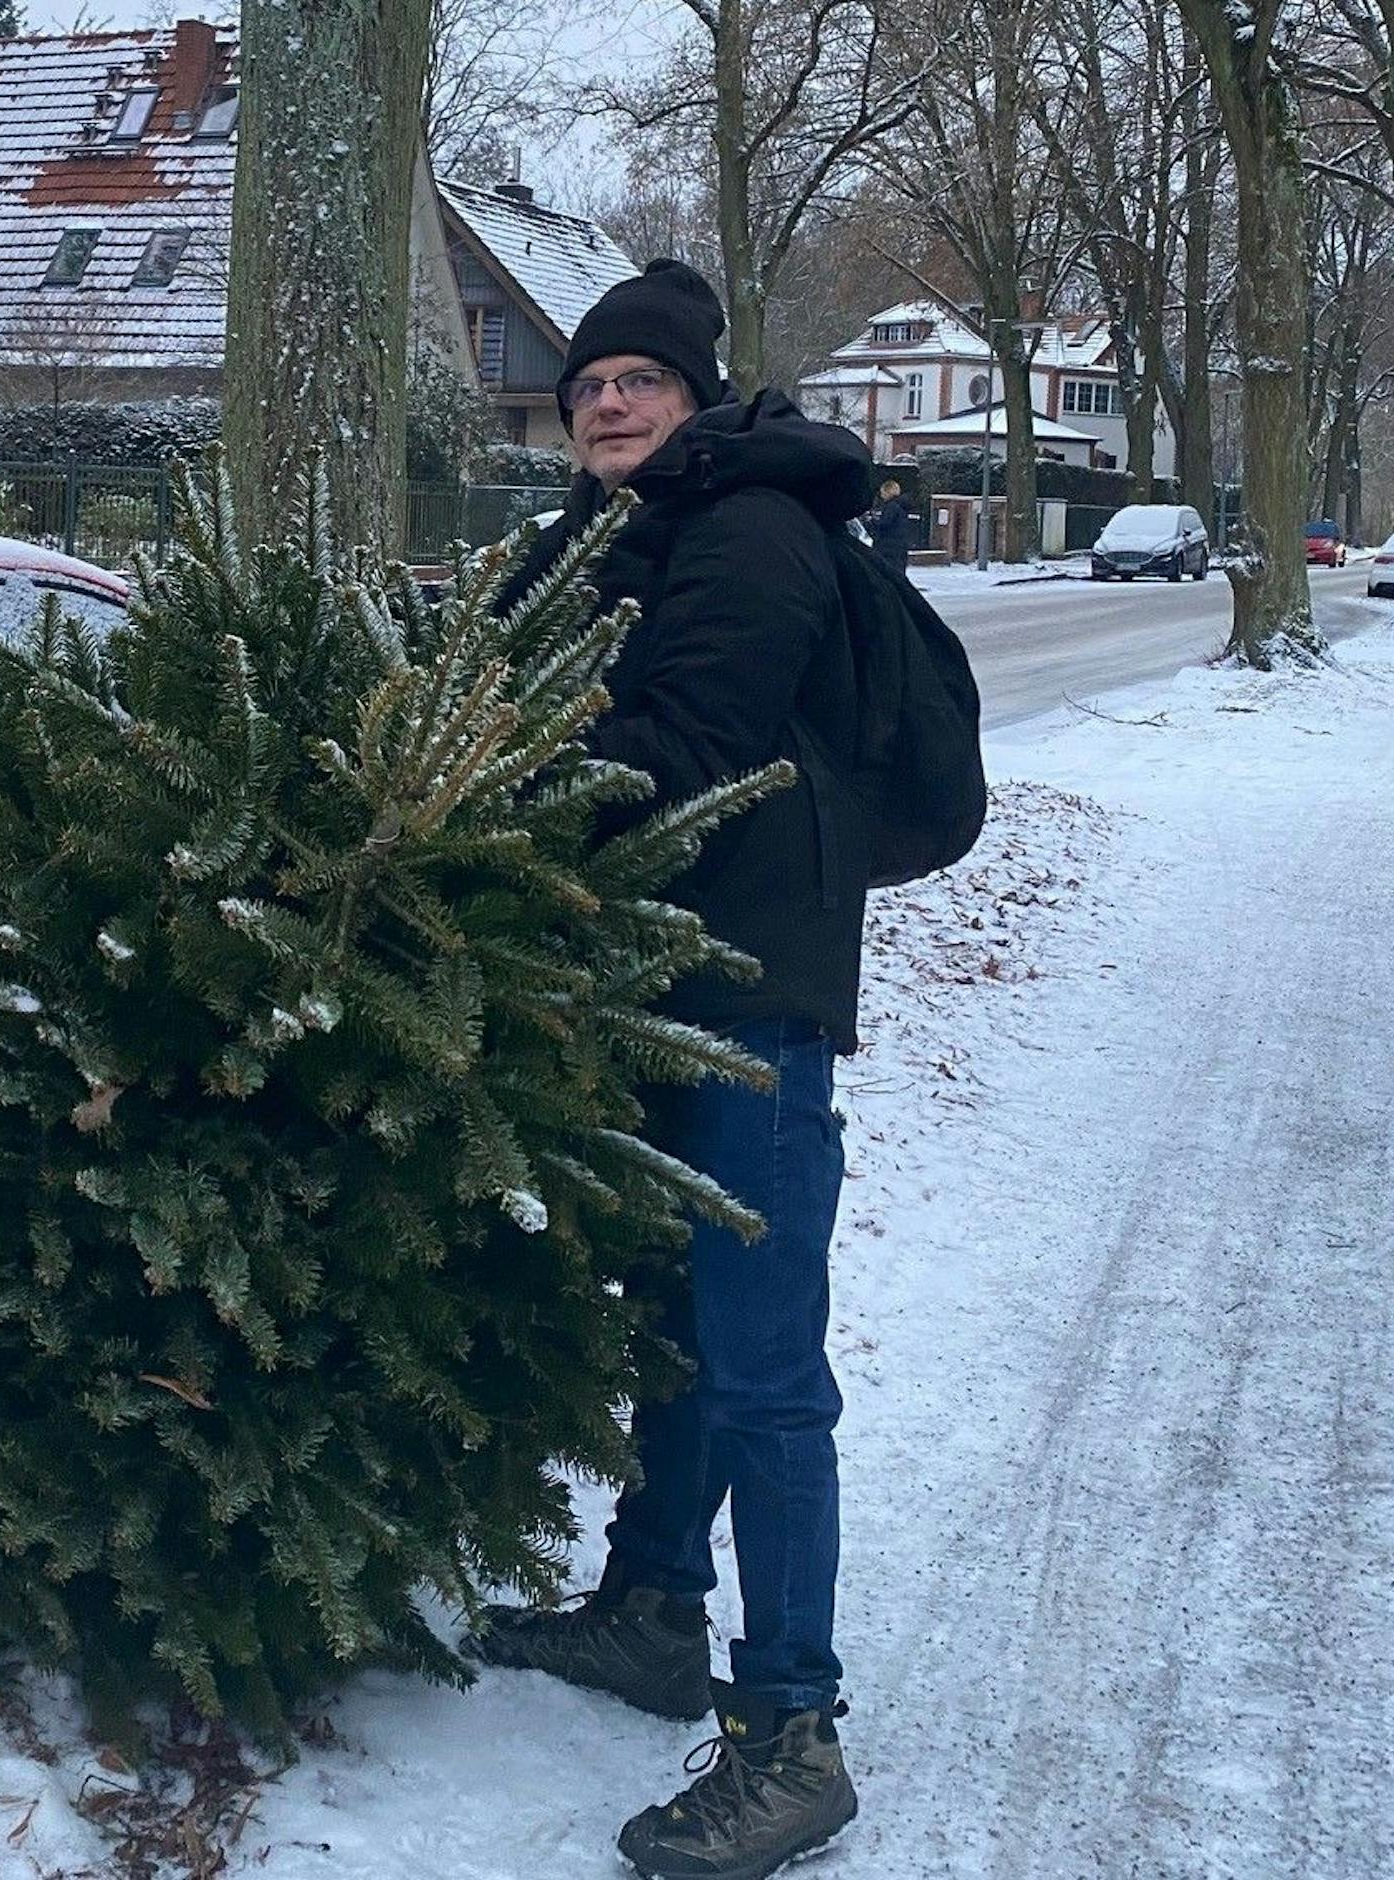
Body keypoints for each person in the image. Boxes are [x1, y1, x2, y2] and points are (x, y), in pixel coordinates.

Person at [465, 258, 882, 1880]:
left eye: (636, 381)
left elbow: (686, 753)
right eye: (584, 389)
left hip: (751, 995)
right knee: (672, 1316)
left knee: (768, 1364)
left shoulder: (756, 533)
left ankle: (792, 1734)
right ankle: (650, 1608)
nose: (607, 405)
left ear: (696, 396)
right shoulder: (596, 535)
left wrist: (491, 768)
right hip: (635, 986)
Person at [869, 478, 913, 576]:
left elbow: (884, 524)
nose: (881, 495)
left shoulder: (891, 507)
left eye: (883, 492)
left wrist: (871, 522)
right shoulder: (902, 506)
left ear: (887, 492)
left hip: (888, 548)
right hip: (899, 547)